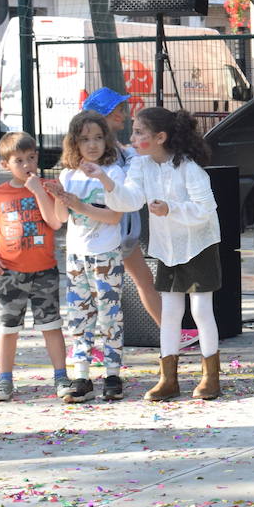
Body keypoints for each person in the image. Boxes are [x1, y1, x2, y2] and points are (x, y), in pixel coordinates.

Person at [90, 107, 223, 401]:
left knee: (201, 310)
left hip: (198, 244)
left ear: (160, 137)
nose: (132, 137)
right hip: (167, 247)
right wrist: (105, 179)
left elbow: (205, 210)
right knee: (171, 310)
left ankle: (210, 377)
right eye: (134, 131)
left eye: (139, 132)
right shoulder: (140, 165)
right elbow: (130, 198)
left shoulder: (189, 168)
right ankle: (168, 379)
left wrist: (172, 209)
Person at [0, 132, 69, 402]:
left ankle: (61, 377)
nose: (27, 165)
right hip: (9, 272)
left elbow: (55, 222)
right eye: (19, 160)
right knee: (7, 328)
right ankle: (4, 380)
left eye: (31, 158)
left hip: (44, 270)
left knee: (51, 324)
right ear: (6, 165)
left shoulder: (49, 186)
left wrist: (39, 191)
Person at [55, 110, 127, 402]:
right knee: (79, 316)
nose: (92, 145)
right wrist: (56, 196)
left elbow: (113, 216)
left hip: (105, 254)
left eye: (98, 138)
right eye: (85, 139)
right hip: (76, 256)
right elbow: (61, 217)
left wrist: (79, 206)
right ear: (74, 143)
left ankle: (112, 372)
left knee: (110, 316)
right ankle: (81, 374)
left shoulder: (114, 173)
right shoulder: (68, 174)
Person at [81, 87, 162, 327]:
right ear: (103, 116)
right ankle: (88, 341)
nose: (124, 115)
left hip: (122, 230)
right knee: (100, 289)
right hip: (107, 229)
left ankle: (171, 334)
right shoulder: (102, 149)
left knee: (143, 279)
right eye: (118, 110)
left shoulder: (116, 147)